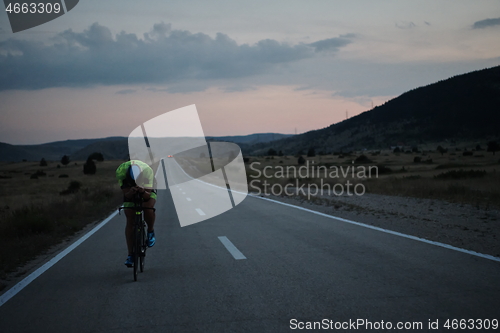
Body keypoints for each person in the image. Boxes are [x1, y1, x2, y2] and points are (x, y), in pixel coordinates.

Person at [116, 160, 157, 267]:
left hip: (147, 189)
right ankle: (130, 255)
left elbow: (147, 197)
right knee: (130, 219)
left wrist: (143, 191)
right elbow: (127, 195)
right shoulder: (121, 171)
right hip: (130, 189)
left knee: (148, 207)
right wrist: (131, 191)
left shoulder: (147, 171)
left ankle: (150, 231)